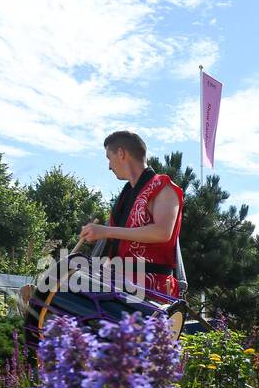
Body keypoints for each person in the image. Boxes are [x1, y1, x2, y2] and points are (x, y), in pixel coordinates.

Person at [77, 130, 185, 307]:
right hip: (120, 286)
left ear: (121, 153)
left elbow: (162, 232)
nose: (109, 166)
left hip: (153, 292)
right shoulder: (126, 196)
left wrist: (106, 231)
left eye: (108, 158)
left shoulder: (165, 189)